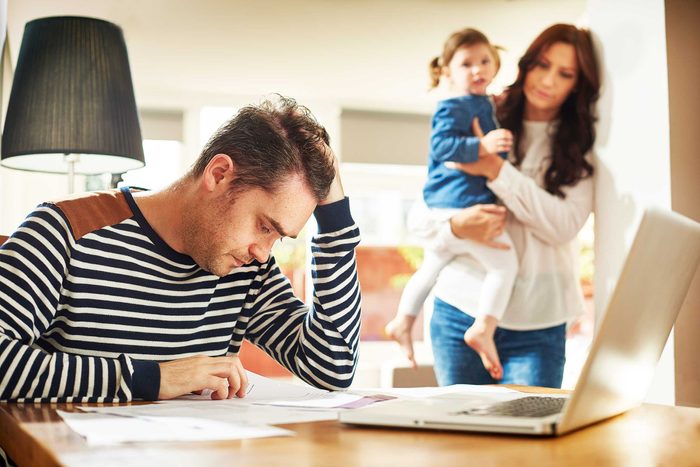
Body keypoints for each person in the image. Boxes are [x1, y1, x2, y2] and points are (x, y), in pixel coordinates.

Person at [0, 96, 361, 403]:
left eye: (277, 237)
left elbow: (332, 368)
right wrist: (153, 379)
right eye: (264, 226)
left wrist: (335, 225)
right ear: (219, 174)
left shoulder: (247, 270)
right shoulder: (65, 229)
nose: (264, 253)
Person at [399, 23, 600, 388]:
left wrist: (495, 169)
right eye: (542, 65)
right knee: (463, 441)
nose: (549, 80)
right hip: (460, 311)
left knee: (528, 437)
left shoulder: (578, 144)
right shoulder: (480, 115)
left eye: (565, 73)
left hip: (538, 324)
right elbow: (420, 215)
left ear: (577, 84)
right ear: (525, 66)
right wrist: (456, 227)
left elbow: (563, 226)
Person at [385, 28, 517, 380]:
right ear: (447, 72)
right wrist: (484, 146)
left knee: (434, 263)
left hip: (451, 203)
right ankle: (483, 328)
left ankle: (403, 320)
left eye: (485, 61)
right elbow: (442, 147)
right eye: (466, 64)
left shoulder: (483, 102)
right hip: (455, 202)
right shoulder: (453, 105)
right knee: (505, 265)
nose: (478, 69)